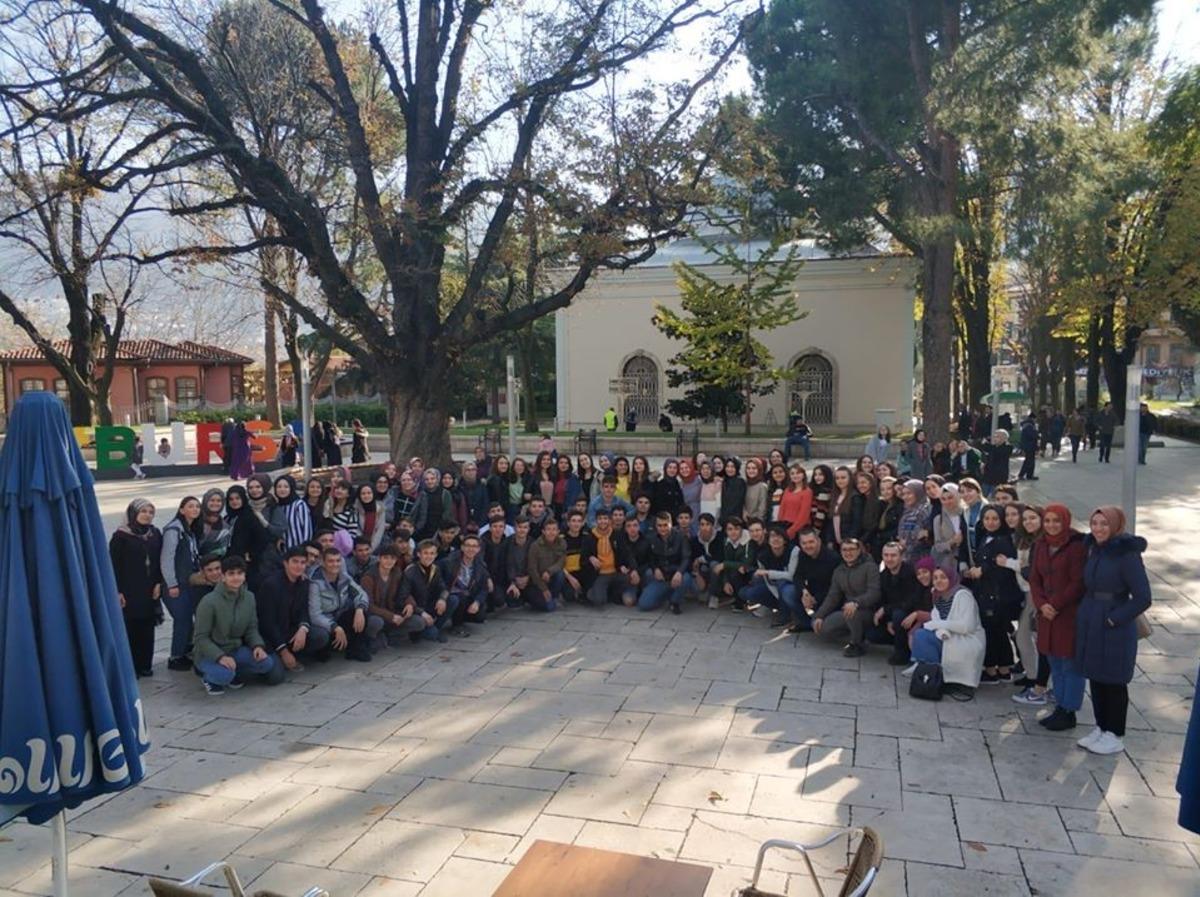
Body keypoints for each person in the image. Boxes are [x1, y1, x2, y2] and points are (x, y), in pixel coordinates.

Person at [1076, 506, 1152, 755]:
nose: (1098, 529)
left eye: (1104, 524)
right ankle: (1101, 727)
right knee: (1096, 676)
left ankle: (1115, 733)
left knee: (1114, 681)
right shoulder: (1094, 550)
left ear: (1115, 525)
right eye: (1094, 523)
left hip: (1114, 625)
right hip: (1092, 618)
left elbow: (1143, 597)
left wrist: (1114, 619)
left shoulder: (1127, 555)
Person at [1026, 505, 1087, 730]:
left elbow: (1078, 582)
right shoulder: (1041, 545)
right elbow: (1034, 579)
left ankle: (1069, 709)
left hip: (1067, 614)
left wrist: (1055, 604)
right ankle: (1060, 705)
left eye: (1056, 521)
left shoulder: (1076, 546)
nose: (1051, 525)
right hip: (1047, 615)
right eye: (1048, 520)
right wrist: (1042, 604)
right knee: (1053, 659)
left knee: (1069, 663)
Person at [192, 555, 284, 695]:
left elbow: (251, 628)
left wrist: (257, 646)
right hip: (209, 653)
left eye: (240, 573)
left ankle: (233, 672)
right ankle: (209, 678)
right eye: (231, 574)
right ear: (223, 576)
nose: (236, 578)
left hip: (234, 649)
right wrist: (220, 657)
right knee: (224, 676)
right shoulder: (209, 602)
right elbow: (200, 638)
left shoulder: (249, 597)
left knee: (266, 663)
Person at [961, 505, 1022, 684]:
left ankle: (995, 669)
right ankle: (1002, 669)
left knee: (993, 631)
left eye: (995, 518)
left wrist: (982, 571)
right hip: (987, 592)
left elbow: (1003, 569)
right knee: (996, 631)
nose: (990, 522)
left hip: (996, 595)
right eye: (987, 518)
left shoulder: (1003, 540)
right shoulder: (987, 537)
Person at [907, 564, 985, 693]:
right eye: (936, 578)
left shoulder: (963, 596)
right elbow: (937, 620)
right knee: (921, 635)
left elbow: (966, 626)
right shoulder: (939, 597)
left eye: (943, 577)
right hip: (948, 636)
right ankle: (933, 673)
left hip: (966, 639)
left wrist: (938, 626)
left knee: (924, 634)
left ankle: (939, 676)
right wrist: (939, 628)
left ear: (951, 578)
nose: (939, 581)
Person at [110, 499, 163, 677]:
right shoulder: (121, 536)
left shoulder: (155, 533)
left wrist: (159, 583)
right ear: (133, 513)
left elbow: (159, 561)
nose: (147, 515)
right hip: (129, 589)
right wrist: (117, 591)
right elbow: (114, 565)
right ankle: (131, 666)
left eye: (150, 512)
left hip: (149, 588)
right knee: (130, 627)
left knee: (147, 627)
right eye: (143, 511)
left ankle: (145, 664)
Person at [813, 538, 881, 657]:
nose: (848, 553)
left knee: (851, 612)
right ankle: (859, 635)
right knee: (823, 628)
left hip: (869, 610)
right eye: (844, 549)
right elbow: (832, 596)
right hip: (848, 610)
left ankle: (856, 644)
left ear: (859, 550)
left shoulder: (870, 567)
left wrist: (856, 602)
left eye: (851, 549)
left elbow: (874, 593)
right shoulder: (839, 571)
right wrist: (819, 615)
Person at [308, 546, 376, 660]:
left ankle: (355, 650)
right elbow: (314, 615)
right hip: (324, 624)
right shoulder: (315, 582)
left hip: (339, 616)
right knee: (322, 642)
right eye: (331, 561)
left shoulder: (344, 577)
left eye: (338, 560)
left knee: (360, 613)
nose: (335, 564)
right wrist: (335, 627)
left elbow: (361, 594)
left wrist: (360, 609)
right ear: (323, 563)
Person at [160, 496, 201, 671]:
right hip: (175, 584)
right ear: (182, 509)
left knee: (187, 620)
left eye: (197, 507)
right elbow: (167, 558)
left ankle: (184, 651)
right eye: (190, 506)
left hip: (187, 583)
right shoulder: (174, 529)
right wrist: (171, 584)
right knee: (182, 619)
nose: (195, 509)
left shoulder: (189, 530)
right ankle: (176, 656)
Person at [256, 545, 313, 671]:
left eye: (303, 562)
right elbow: (267, 623)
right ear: (286, 563)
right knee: (275, 676)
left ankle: (296, 655)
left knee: (318, 636)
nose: (299, 566)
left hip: (289, 631)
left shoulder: (303, 582)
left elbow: (304, 610)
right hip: (270, 637)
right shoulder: (271, 585)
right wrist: (283, 651)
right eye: (295, 562)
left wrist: (303, 628)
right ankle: (281, 657)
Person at [873, 542, 928, 665]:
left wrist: (886, 610)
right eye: (886, 555)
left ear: (901, 557)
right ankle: (896, 641)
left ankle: (902, 653)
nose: (889, 559)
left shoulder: (911, 573)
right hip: (894, 613)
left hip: (912, 614)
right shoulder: (883, 575)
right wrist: (887, 618)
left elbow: (911, 601)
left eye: (893, 555)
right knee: (872, 633)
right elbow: (882, 600)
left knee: (898, 615)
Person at [740, 525, 799, 628]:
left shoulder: (794, 550)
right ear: (768, 539)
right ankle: (781, 607)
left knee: (782, 583)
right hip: (774, 588)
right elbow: (768, 582)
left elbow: (791, 576)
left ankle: (785, 617)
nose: (776, 539)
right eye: (772, 536)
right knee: (746, 592)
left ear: (785, 540)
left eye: (779, 536)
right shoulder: (762, 556)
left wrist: (768, 572)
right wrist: (779, 598)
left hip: (793, 588)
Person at [402, 539, 458, 641]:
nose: (429, 556)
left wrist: (442, 599)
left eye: (432, 553)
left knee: (452, 599)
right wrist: (421, 612)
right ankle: (419, 632)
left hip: (429, 605)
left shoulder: (435, 569)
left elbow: (443, 588)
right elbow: (404, 596)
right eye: (426, 553)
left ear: (436, 555)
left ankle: (436, 627)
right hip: (416, 609)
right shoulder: (410, 571)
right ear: (419, 554)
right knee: (431, 634)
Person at [641, 512, 692, 614]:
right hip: (662, 577)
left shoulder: (681, 537)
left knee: (686, 578)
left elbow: (686, 558)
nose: (662, 528)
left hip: (676, 573)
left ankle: (674, 601)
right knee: (644, 605)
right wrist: (655, 568)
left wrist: (679, 572)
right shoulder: (652, 538)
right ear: (656, 526)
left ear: (671, 524)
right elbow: (650, 557)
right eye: (659, 525)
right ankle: (666, 593)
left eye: (665, 525)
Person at [441, 534, 490, 633]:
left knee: (480, 614)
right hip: (451, 595)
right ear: (462, 547)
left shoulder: (481, 565)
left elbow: (484, 588)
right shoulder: (449, 562)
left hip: (468, 594)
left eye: (474, 546)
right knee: (459, 598)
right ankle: (456, 624)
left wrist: (477, 602)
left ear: (478, 549)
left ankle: (462, 618)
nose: (470, 549)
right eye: (468, 546)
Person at [794, 528, 839, 633]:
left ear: (818, 541)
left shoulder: (833, 558)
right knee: (790, 592)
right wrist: (804, 592)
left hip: (829, 596)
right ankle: (806, 623)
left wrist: (815, 599)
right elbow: (797, 576)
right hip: (812, 591)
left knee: (824, 628)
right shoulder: (802, 554)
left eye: (811, 542)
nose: (808, 546)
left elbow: (835, 587)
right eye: (804, 543)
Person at [582, 509, 624, 607]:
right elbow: (583, 558)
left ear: (610, 520)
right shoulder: (589, 537)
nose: (603, 521)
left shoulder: (616, 535)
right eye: (600, 519)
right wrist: (590, 558)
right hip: (601, 573)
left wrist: (625, 566)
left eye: (605, 518)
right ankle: (593, 592)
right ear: (596, 521)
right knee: (599, 601)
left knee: (630, 579)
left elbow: (625, 553)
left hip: (615, 571)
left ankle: (609, 592)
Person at [527, 516, 567, 611]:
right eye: (548, 529)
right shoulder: (535, 546)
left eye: (554, 529)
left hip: (551, 577)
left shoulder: (562, 543)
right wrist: (543, 588)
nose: (551, 532)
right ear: (543, 531)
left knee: (560, 574)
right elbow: (532, 569)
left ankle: (554, 596)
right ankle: (544, 599)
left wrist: (549, 571)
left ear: (558, 531)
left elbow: (561, 562)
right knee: (548, 607)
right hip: (537, 581)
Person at [615, 515, 653, 607]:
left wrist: (636, 571)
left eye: (635, 525)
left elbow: (651, 562)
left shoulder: (647, 541)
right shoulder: (620, 541)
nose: (632, 528)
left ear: (639, 527)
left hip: (643, 573)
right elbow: (617, 560)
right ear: (625, 529)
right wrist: (620, 567)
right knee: (628, 602)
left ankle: (645, 591)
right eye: (629, 526)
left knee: (650, 573)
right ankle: (634, 592)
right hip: (628, 577)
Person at [980, 430, 1013, 495]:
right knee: (983, 495)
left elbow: (997, 452)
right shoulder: (993, 447)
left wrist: (986, 444)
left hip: (999, 478)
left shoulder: (1008, 447)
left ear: (1004, 438)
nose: (995, 438)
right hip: (988, 476)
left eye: (998, 436)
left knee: (996, 496)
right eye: (995, 436)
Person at [1017, 416, 1039, 481]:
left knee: (1030, 461)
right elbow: (1033, 436)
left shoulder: (1026, 426)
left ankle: (1029, 475)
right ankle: (1022, 475)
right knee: (1029, 461)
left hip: (1028, 446)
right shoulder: (1029, 427)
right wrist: (1036, 432)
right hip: (1029, 446)